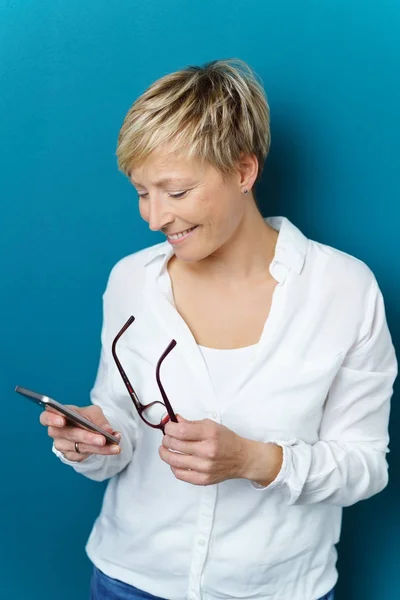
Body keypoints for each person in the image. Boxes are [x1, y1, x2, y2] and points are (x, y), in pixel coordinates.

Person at [41, 59, 397, 600]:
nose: (155, 217)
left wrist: (256, 461)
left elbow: (365, 466)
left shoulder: (344, 290)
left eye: (176, 192)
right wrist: (96, 438)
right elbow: (124, 421)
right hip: (128, 580)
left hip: (279, 590)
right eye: (141, 192)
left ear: (243, 172)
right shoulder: (131, 281)